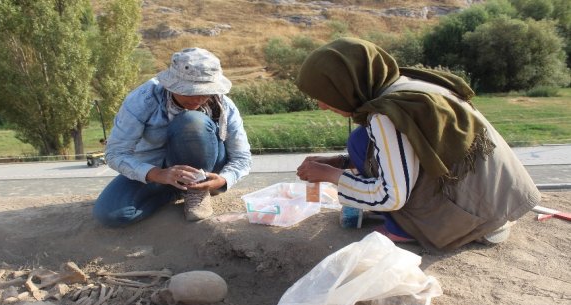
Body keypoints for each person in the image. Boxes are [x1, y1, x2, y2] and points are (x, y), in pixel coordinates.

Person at [294, 38, 540, 250]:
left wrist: (330, 175)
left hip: (478, 219)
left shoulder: (386, 116)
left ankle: (405, 230)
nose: (322, 105)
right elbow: (415, 151)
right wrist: (342, 162)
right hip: (496, 203)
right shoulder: (407, 84)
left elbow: (391, 197)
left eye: (326, 95)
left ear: (346, 86)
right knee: (360, 141)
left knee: (359, 142)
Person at [93, 47, 252, 226]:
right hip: (155, 166)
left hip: (208, 165)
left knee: (191, 121)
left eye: (205, 92)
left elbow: (241, 157)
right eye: (189, 91)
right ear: (171, 84)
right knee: (111, 214)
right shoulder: (143, 100)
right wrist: (157, 174)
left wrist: (223, 180)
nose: (197, 99)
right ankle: (175, 189)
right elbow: (115, 153)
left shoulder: (224, 105)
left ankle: (196, 191)